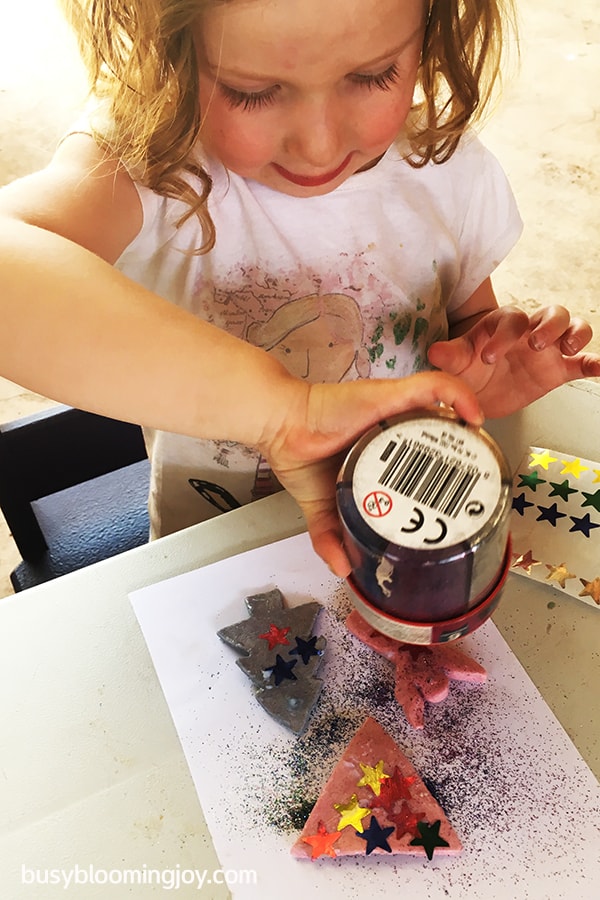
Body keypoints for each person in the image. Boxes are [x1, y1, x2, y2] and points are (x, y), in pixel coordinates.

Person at [0, 0, 599, 578]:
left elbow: (468, 323)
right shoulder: (150, 168)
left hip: (411, 538)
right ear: (170, 53)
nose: (319, 144)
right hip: (219, 553)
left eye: (373, 75)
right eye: (252, 92)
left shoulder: (447, 171)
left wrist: (484, 369)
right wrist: (288, 415)